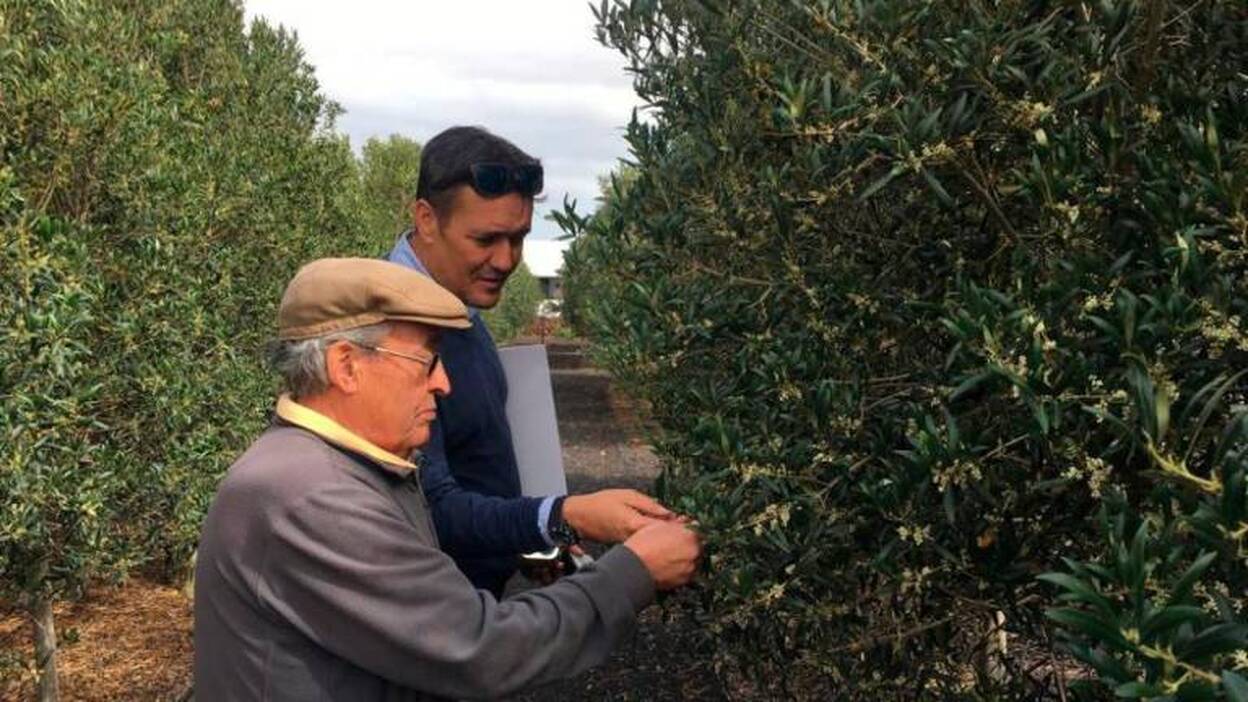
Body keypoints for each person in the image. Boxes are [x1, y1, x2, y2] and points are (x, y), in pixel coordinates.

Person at [193, 258, 701, 700]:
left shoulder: (346, 468)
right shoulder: (308, 496)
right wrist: (634, 571)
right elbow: (479, 648)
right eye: (428, 359)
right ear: (346, 366)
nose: (443, 382)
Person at [388, 126, 668, 594]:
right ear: (426, 219)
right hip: (427, 623)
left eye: (518, 239)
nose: (505, 259)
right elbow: (430, 508)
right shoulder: (393, 335)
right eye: (486, 239)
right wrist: (562, 516)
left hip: (470, 606)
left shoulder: (459, 313)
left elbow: (474, 465)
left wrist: (525, 540)